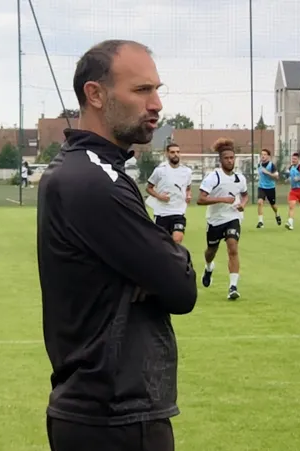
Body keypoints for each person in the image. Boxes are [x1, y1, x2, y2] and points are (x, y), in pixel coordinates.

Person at [36, 39, 196, 451]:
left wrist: (149, 265)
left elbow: (159, 271)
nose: (157, 104)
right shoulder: (91, 180)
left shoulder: (92, 170)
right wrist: (162, 262)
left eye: (157, 90)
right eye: (142, 90)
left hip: (99, 412)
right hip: (114, 417)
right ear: (95, 94)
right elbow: (180, 286)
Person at [197, 138, 248, 300]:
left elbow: (245, 195)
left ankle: (233, 287)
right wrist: (222, 200)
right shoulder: (213, 177)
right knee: (211, 251)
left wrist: (243, 204)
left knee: (233, 248)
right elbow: (200, 200)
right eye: (226, 158)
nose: (230, 160)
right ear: (220, 160)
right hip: (215, 220)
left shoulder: (240, 178)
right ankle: (208, 267)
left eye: (232, 158)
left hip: (233, 217)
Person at [146, 143, 193, 243]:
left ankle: (176, 258)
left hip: (178, 212)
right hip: (162, 213)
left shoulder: (187, 171)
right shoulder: (159, 170)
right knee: (162, 244)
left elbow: (188, 188)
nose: (175, 154)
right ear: (167, 154)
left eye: (177, 152)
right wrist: (159, 196)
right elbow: (149, 188)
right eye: (172, 152)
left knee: (177, 240)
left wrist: (188, 195)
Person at [256, 148, 282, 228]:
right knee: (260, 202)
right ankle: (260, 222)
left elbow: (277, 176)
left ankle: (277, 214)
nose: (263, 156)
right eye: (262, 154)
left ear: (268, 156)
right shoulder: (259, 164)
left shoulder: (272, 166)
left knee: (273, 205)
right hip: (261, 187)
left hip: (270, 188)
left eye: (264, 154)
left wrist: (267, 173)